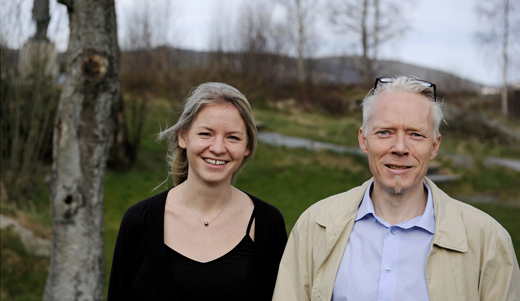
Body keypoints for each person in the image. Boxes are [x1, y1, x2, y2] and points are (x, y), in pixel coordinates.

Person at [273, 76, 520, 301]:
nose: (400, 147)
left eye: (415, 134)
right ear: (363, 139)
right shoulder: (314, 227)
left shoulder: (489, 242)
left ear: (434, 146)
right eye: (385, 132)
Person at [108, 82, 287, 301]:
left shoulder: (268, 224)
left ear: (247, 146)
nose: (218, 148)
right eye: (206, 134)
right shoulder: (138, 222)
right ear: (183, 137)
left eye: (233, 137)